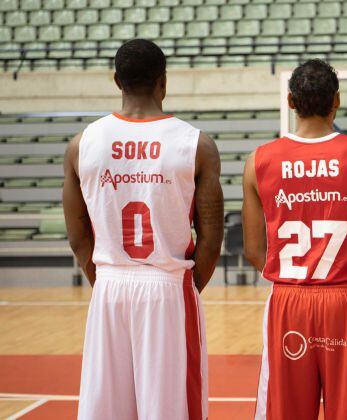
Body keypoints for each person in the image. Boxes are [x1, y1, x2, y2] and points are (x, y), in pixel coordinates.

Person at [63, 39, 224, 420]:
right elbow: (212, 237)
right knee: (169, 410)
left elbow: (77, 236)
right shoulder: (196, 144)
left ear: (116, 81)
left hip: (109, 284)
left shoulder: (81, 144)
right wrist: (183, 288)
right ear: (163, 82)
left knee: (106, 410)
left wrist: (103, 279)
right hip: (167, 285)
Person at [242, 59, 347, 420]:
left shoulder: (258, 161)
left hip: (287, 299)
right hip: (346, 299)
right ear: (336, 100)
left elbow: (252, 249)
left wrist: (290, 281)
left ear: (291, 102)